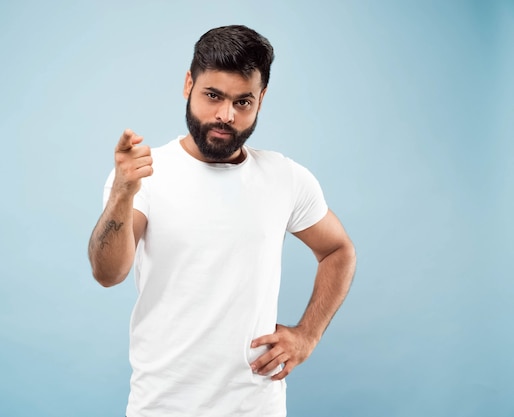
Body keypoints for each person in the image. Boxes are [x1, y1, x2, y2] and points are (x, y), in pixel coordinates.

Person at [88, 24, 356, 417]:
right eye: (212, 95)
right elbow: (108, 273)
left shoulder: (285, 177)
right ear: (188, 85)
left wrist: (307, 334)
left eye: (243, 102)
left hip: (255, 406)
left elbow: (337, 250)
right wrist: (122, 195)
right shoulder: (144, 173)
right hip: (162, 406)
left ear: (261, 100)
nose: (225, 115)